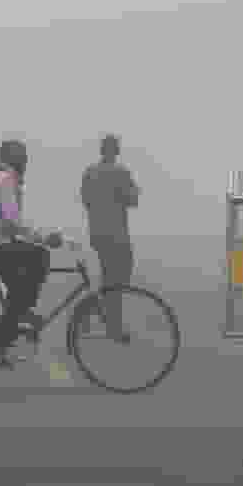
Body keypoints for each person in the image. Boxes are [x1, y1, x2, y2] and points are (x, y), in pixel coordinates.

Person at [0, 139, 62, 367]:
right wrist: (43, 238)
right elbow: (12, 221)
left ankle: (17, 316)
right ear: (12, 159)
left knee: (19, 290)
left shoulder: (0, 176)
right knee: (40, 256)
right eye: (22, 157)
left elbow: (9, 221)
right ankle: (3, 337)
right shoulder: (4, 179)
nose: (26, 161)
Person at [80, 134, 140, 343]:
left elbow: (85, 200)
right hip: (117, 235)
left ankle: (95, 319)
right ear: (116, 150)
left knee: (108, 277)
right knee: (118, 281)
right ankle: (111, 326)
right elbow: (132, 199)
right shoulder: (120, 172)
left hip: (97, 234)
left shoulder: (90, 172)